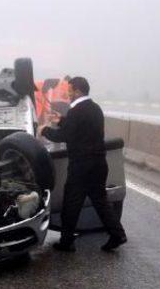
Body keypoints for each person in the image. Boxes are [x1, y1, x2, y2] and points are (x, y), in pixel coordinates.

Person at [40, 77, 127, 252]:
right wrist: (62, 120)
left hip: (81, 166)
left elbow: (64, 136)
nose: (67, 94)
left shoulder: (75, 111)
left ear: (78, 91)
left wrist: (45, 130)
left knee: (71, 204)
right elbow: (82, 127)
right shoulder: (95, 109)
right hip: (99, 164)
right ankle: (118, 234)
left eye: (70, 91)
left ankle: (66, 242)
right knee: (101, 202)